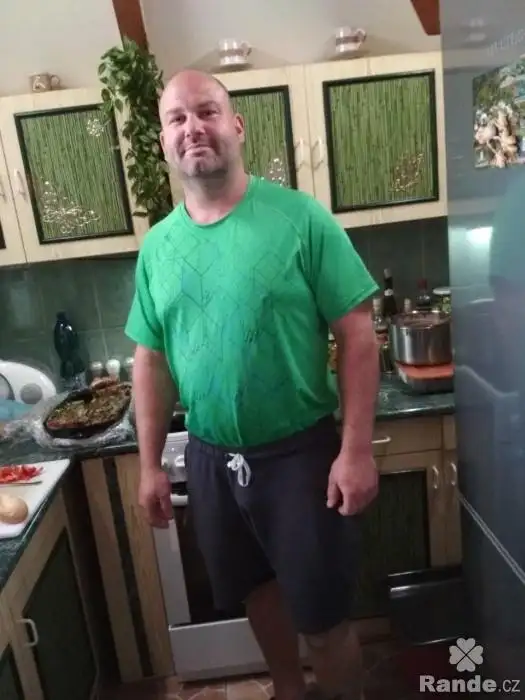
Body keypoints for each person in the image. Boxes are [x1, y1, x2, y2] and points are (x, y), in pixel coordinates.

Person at [125, 69, 380, 700]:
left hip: (299, 456)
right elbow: (150, 361)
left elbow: (357, 335)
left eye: (206, 111)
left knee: (323, 617)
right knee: (258, 597)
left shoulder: (300, 219)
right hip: (211, 459)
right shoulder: (157, 248)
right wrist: (149, 465)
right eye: (177, 118)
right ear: (164, 141)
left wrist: (355, 450)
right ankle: (288, 691)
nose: (192, 128)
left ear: (236, 126)